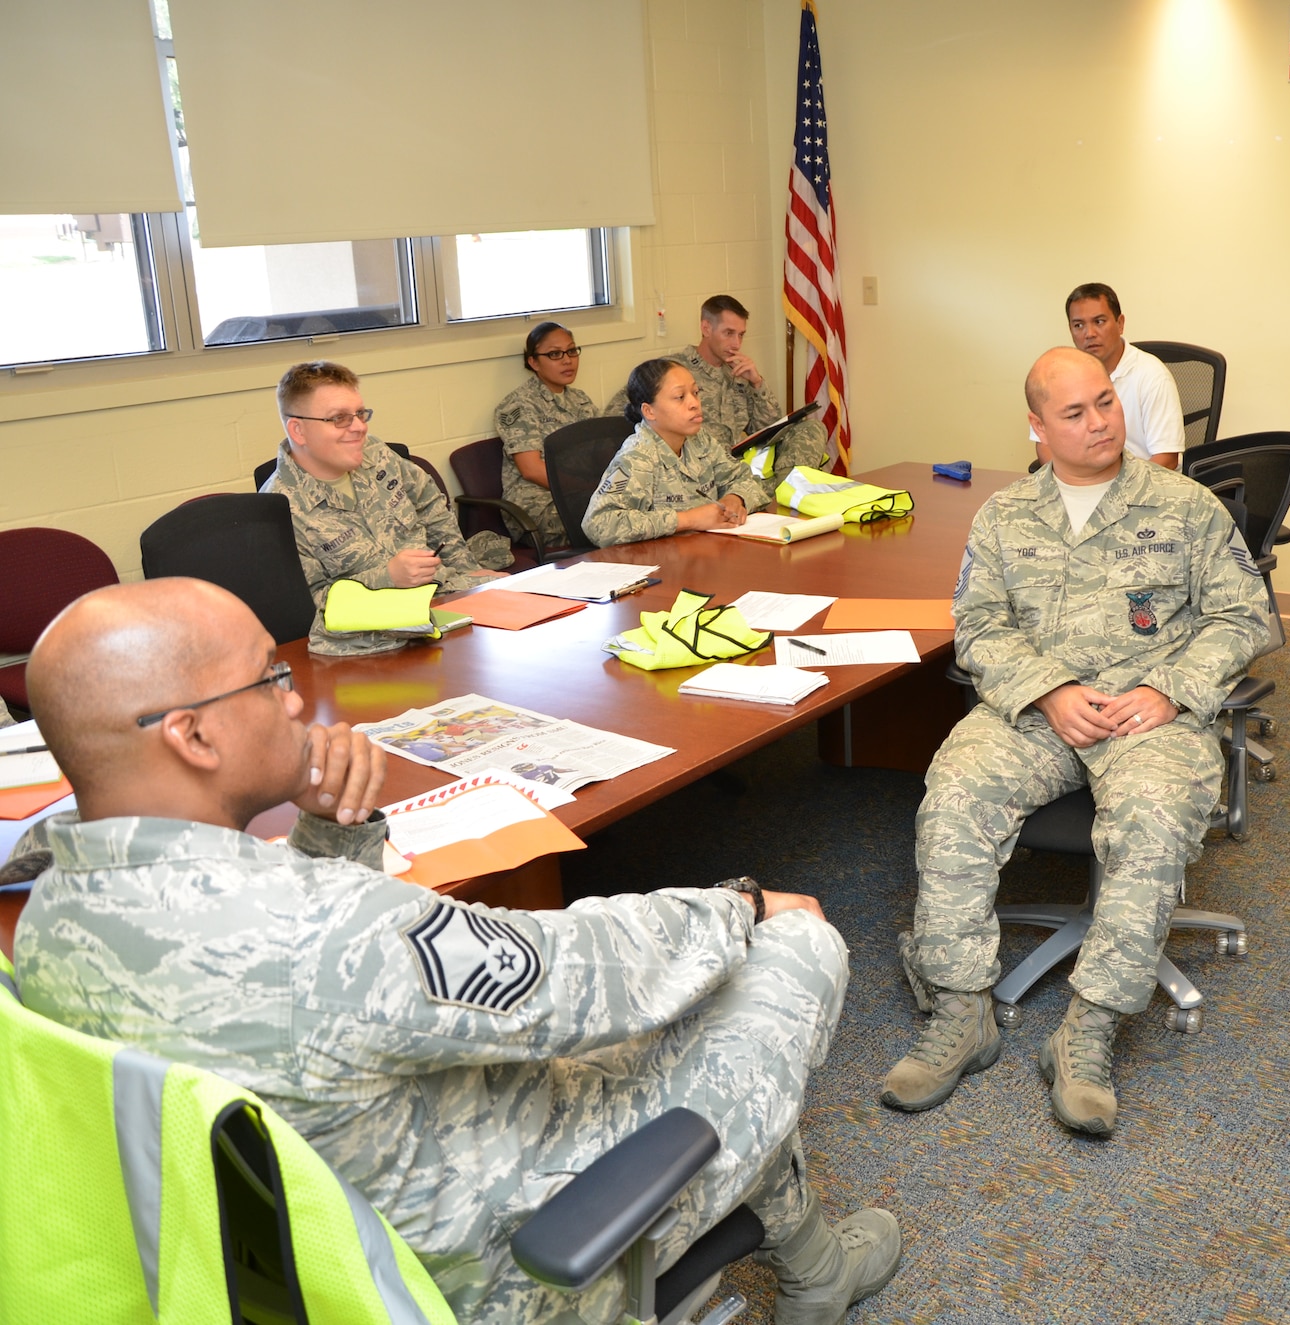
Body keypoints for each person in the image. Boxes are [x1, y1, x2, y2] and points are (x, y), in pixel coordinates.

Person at [7, 577, 902, 1323]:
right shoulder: (322, 937)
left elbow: (335, 1001)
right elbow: (581, 974)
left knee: (700, 989)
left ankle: (815, 1263)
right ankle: (814, 1268)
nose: (296, 699)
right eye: (270, 678)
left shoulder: (52, 917)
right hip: (502, 1259)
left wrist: (335, 834)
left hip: (305, 1243)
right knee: (788, 945)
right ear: (192, 733)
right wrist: (738, 905)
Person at [881, 347, 1271, 1136]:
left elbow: (1245, 618)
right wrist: (1048, 690)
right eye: (1074, 412)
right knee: (954, 793)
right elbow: (979, 626)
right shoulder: (1003, 516)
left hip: (1144, 714)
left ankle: (1086, 1033)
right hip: (1038, 710)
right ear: (1036, 428)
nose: (1099, 423)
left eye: (1106, 403)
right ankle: (962, 1011)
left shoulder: (1186, 505)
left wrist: (1169, 689)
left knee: (1157, 818)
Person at [261, 361, 511, 657]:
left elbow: (429, 502)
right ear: (298, 430)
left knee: (523, 593)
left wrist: (467, 570)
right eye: (339, 418)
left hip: (442, 598)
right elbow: (311, 606)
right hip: (376, 640)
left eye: (360, 414)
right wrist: (388, 577)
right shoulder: (278, 509)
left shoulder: (376, 455)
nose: (359, 427)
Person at [583, 358, 768, 546]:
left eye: (696, 393)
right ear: (649, 411)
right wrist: (687, 520)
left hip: (705, 552)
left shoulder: (700, 440)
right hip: (661, 562)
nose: (694, 403)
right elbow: (598, 524)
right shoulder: (636, 457)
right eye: (680, 397)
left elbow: (746, 479)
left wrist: (735, 498)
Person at [667, 295, 830, 502]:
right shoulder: (673, 371)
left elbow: (770, 427)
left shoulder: (738, 371)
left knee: (811, 429)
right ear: (706, 328)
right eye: (729, 333)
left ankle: (781, 491)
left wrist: (756, 383)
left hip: (742, 462)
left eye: (741, 335)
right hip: (706, 468)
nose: (736, 344)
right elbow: (626, 413)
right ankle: (781, 494)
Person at [1028, 283, 1187, 470]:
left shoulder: (1152, 376)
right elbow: (1044, 443)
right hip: (1083, 484)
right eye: (1078, 325)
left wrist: (1111, 491)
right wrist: (1071, 482)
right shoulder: (1062, 376)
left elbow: (1167, 458)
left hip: (1143, 487)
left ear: (1120, 324)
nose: (1089, 334)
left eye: (1099, 322)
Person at [494, 321, 597, 550]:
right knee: (609, 520)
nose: (567, 360)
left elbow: (599, 455)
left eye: (571, 351)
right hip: (538, 504)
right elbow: (531, 469)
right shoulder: (519, 405)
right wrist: (588, 488)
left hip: (583, 495)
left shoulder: (581, 401)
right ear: (533, 362)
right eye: (554, 354)